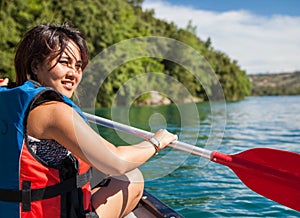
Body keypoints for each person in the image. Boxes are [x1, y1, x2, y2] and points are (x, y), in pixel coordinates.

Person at [0, 23, 178, 217]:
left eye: (78, 66)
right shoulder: (53, 112)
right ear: (35, 66)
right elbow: (116, 161)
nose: (74, 73)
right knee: (132, 178)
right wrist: (156, 142)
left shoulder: (7, 98)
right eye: (65, 62)